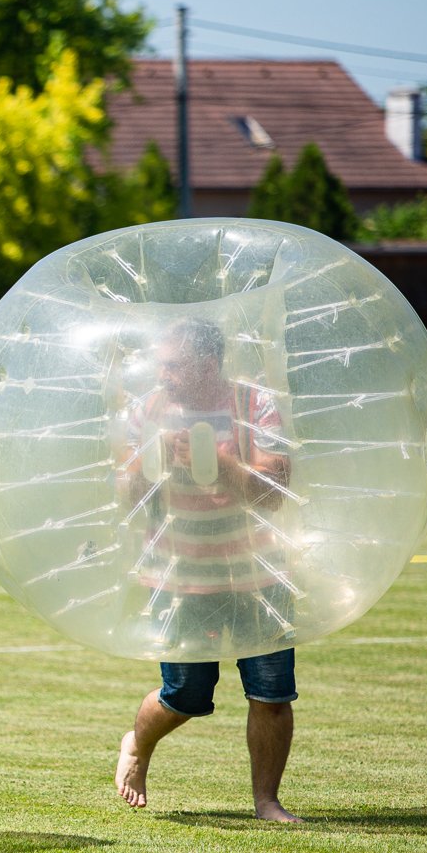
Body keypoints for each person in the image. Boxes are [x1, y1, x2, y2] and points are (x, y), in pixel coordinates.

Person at [112, 318, 301, 822]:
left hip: (255, 572)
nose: (163, 374)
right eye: (160, 364)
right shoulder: (147, 410)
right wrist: (149, 466)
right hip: (181, 576)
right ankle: (137, 743)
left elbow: (277, 493)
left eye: (172, 365)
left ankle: (267, 801)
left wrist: (225, 468)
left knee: (271, 693)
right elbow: (124, 495)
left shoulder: (251, 405)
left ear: (207, 363)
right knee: (186, 694)